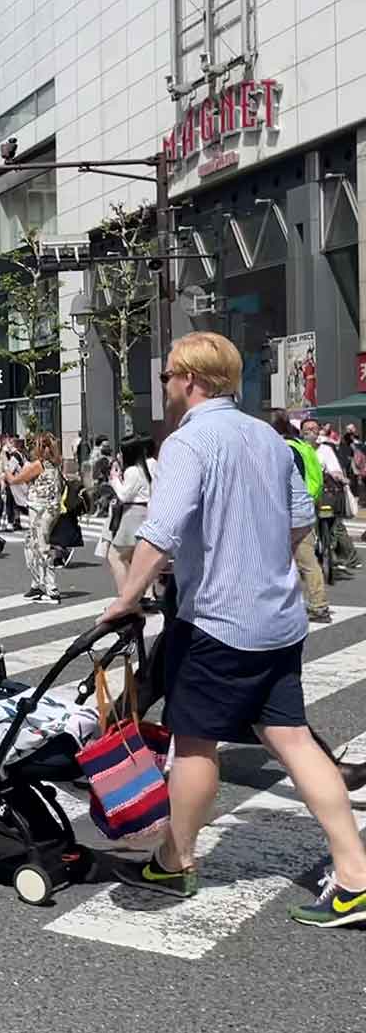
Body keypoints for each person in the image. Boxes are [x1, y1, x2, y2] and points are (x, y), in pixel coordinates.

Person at [100, 331, 366, 928]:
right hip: (278, 619)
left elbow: (159, 532)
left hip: (217, 623)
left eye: (169, 376)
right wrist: (256, 558)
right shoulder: (266, 439)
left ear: (190, 380)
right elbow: (300, 520)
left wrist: (125, 599)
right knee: (294, 739)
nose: (164, 385)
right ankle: (355, 874)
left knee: (194, 741)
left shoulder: (188, 444)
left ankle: (176, 859)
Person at [275, 416, 332, 623]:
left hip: (290, 514)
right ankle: (319, 606)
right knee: (308, 562)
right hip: (306, 506)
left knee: (279, 563)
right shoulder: (301, 446)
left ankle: (285, 607)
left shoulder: (281, 449)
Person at [5, 433, 63, 603]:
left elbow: (14, 480)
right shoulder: (56, 463)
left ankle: (51, 588)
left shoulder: (38, 465)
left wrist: (6, 467)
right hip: (51, 508)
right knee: (34, 543)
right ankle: (37, 584)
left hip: (39, 509)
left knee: (40, 546)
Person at [303, 417, 361, 575]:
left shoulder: (325, 449)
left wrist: (341, 478)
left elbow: (335, 469)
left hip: (326, 495)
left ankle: (335, 553)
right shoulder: (299, 449)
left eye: (314, 429)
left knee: (334, 524)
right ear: (301, 432)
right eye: (307, 429)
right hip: (304, 497)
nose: (311, 432)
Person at [101, 435, 154, 599]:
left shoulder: (132, 471)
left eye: (122, 452)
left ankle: (125, 597)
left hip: (132, 514)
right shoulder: (143, 468)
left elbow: (124, 495)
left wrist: (115, 480)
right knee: (132, 559)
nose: (119, 455)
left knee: (115, 556)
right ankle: (140, 595)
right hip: (142, 513)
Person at [1, 436, 28, 531]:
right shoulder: (23, 455)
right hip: (21, 482)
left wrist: (5, 478)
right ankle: (17, 521)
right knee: (17, 504)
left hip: (14, 483)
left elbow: (10, 469)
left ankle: (10, 522)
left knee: (11, 502)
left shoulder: (15, 456)